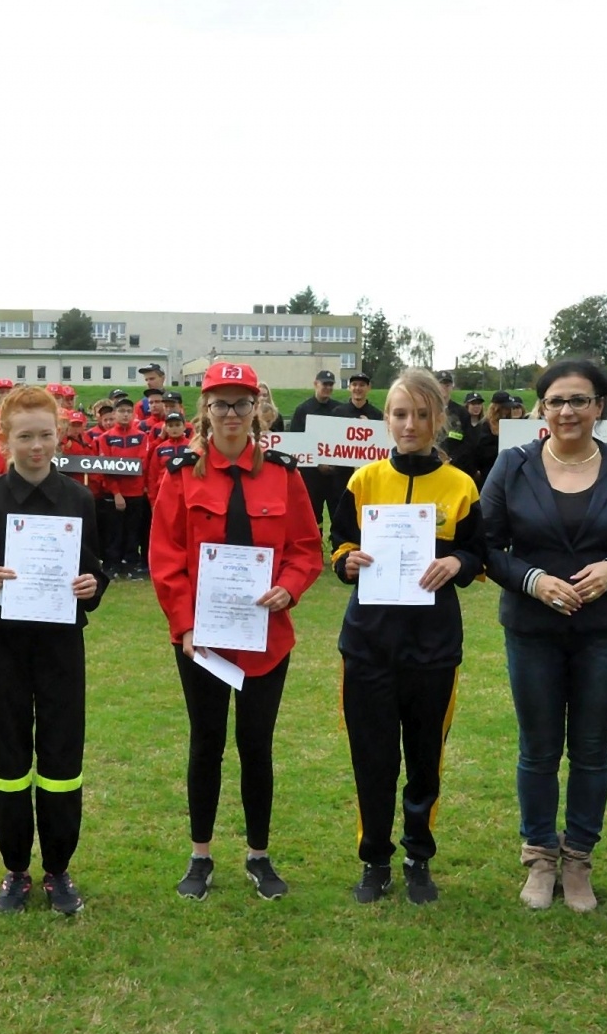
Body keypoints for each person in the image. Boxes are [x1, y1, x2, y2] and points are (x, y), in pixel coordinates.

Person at [481, 359, 607, 912]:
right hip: (533, 628)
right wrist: (532, 580)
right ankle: (541, 855)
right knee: (538, 748)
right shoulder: (513, 465)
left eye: (579, 400)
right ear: (541, 407)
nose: (567, 411)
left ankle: (579, 858)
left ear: (600, 406)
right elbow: (485, 546)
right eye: (556, 401)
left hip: (604, 631)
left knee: (591, 749)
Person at [148, 362, 323, 901]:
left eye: (241, 404)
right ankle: (200, 855)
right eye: (220, 404)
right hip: (202, 640)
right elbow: (166, 557)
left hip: (267, 638)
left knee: (256, 745)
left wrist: (289, 588)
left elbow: (306, 549)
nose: (231, 414)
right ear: (205, 410)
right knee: (206, 744)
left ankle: (258, 854)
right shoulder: (181, 474)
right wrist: (185, 625)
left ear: (257, 410)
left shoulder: (284, 475)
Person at [330, 369, 485, 905]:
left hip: (433, 647)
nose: (410, 424)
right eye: (400, 414)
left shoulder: (461, 485)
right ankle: (374, 858)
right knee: (372, 758)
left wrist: (457, 563)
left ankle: (419, 856)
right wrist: (346, 560)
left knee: (424, 760)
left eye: (422, 414)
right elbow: (340, 542)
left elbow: (478, 552)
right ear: (386, 419)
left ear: (439, 419)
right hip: (367, 645)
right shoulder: (364, 480)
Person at [0, 385, 108, 914]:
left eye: (45, 435)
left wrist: (92, 586)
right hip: (3, 647)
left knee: (63, 757)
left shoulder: (79, 499)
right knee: (8, 758)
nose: (36, 446)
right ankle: (16, 869)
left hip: (61, 648)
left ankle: (58, 869)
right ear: (4, 439)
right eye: (25, 437)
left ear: (59, 434)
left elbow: (95, 569)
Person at [94, 393, 149, 579]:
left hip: (136, 493)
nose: (125, 414)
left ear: (133, 414)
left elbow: (142, 463)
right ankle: (112, 566)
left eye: (128, 411)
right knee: (114, 532)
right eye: (121, 411)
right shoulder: (106, 438)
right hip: (114, 494)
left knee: (133, 532)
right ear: (115, 413)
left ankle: (131, 565)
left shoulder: (141, 437)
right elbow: (106, 468)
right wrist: (116, 493)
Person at [289, 369, 346, 528]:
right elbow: (297, 440)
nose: (327, 387)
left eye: (330, 385)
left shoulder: (340, 409)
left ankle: (338, 542)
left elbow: (346, 439)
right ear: (316, 384)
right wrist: (318, 463)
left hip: (336, 474)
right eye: (324, 384)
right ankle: (315, 542)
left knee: (339, 514)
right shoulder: (303, 410)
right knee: (313, 514)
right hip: (312, 474)